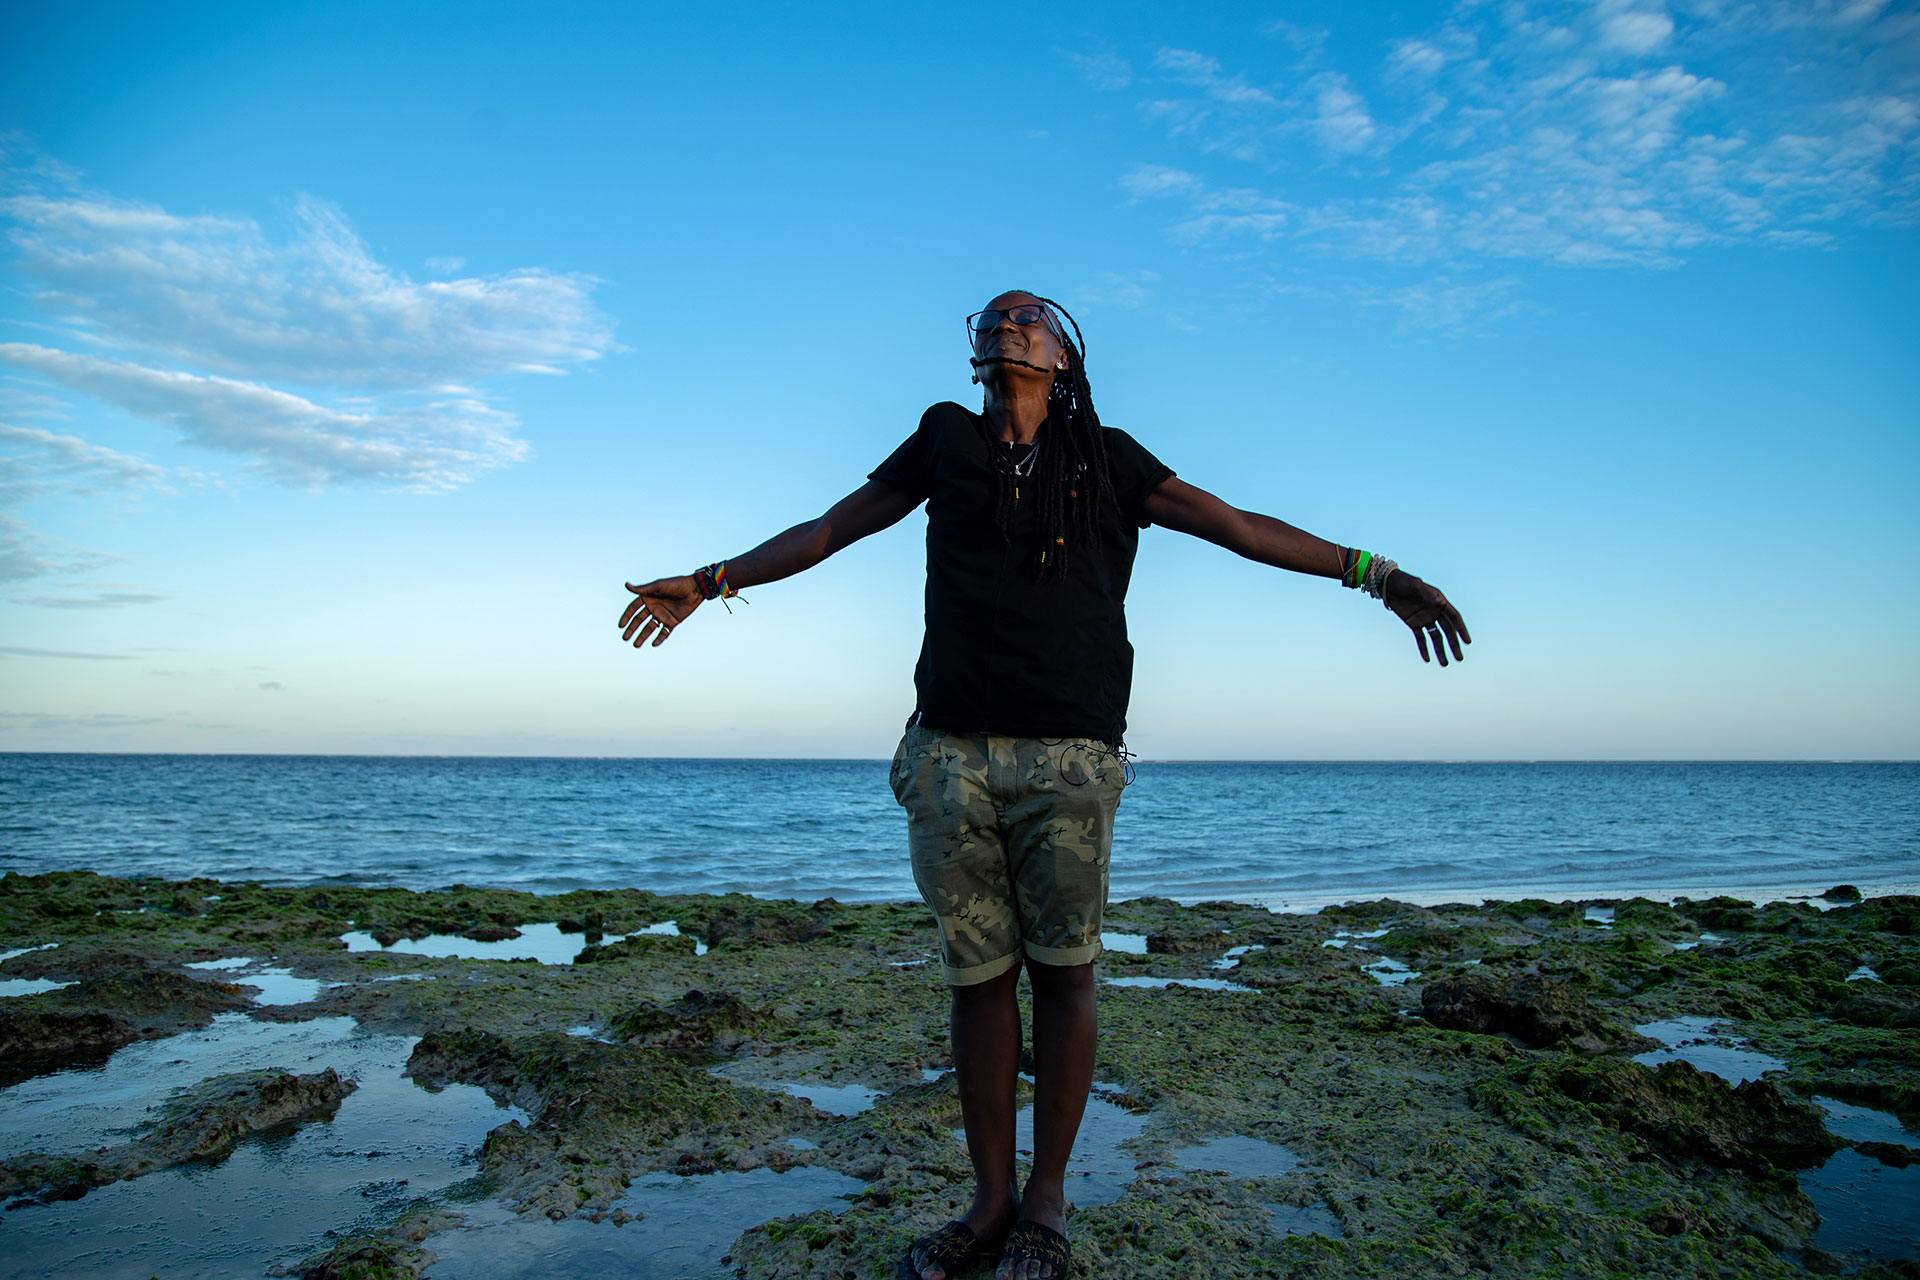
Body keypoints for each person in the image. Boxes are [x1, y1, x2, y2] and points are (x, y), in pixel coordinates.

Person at [618, 291, 1469, 1280]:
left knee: (1065, 972)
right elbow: (829, 528)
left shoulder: (1108, 456)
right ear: (976, 353)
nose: (1010, 322)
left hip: (1069, 758)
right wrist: (709, 578)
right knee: (977, 982)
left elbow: (1236, 525)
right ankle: (988, 1200)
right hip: (949, 755)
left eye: (1031, 316)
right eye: (994, 316)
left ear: (1063, 354)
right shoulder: (944, 439)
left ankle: (1047, 1201)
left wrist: (1374, 571)